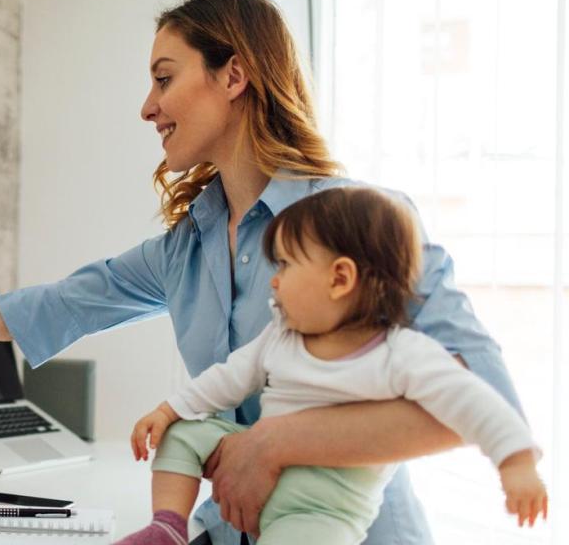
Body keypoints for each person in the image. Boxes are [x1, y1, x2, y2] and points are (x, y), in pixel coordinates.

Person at [0, 0, 529, 545]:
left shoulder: (366, 223)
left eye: (165, 78)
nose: (147, 106)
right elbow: (29, 309)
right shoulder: (185, 247)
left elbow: (475, 405)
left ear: (233, 76)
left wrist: (273, 443)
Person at [116, 187, 546, 545]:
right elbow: (227, 378)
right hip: (256, 471)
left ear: (339, 278)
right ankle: (167, 528)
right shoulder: (282, 334)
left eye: (284, 264)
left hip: (320, 513)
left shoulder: (401, 353)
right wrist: (168, 411)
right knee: (186, 432)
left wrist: (516, 464)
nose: (274, 279)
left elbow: (476, 401)